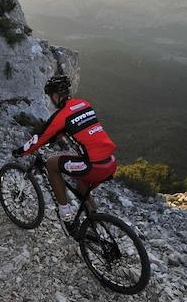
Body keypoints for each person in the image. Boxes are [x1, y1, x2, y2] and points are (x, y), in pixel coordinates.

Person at [12, 75, 117, 221]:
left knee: (51, 163)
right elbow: (74, 128)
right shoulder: (83, 104)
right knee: (81, 189)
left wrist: (20, 151)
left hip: (94, 166)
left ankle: (65, 212)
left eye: (50, 97)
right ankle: (95, 222)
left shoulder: (61, 115)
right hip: (111, 162)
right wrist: (54, 139)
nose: (51, 100)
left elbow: (39, 138)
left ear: (55, 96)